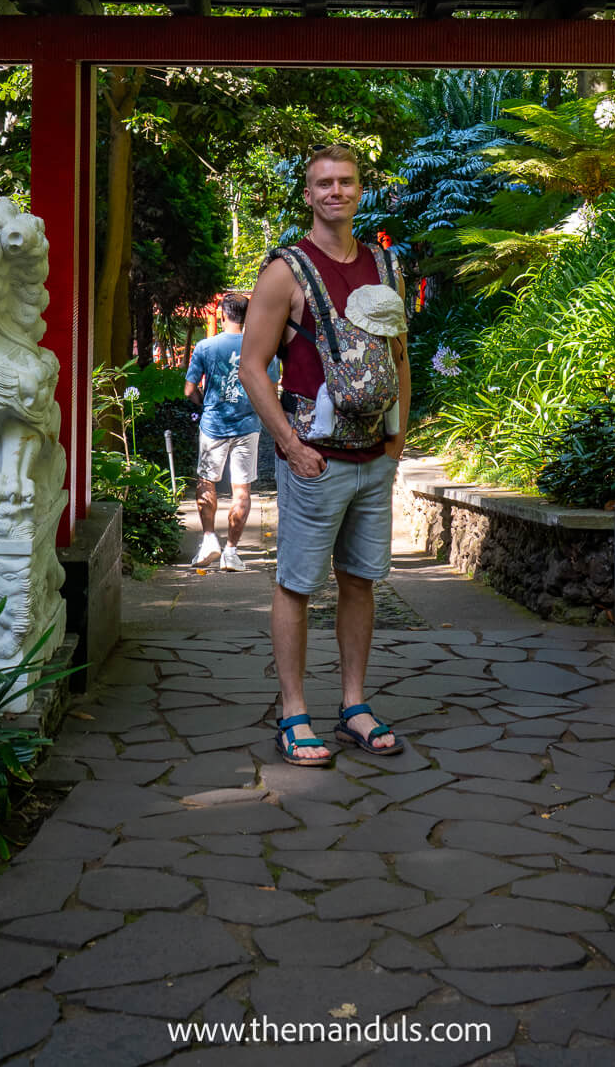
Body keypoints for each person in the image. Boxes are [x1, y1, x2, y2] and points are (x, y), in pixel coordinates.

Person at [240, 143, 409, 767]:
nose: (335, 191)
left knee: (360, 583)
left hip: (373, 459)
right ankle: (293, 712)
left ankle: (355, 706)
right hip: (314, 459)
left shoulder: (386, 268)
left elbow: (399, 357)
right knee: (297, 585)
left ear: (360, 189)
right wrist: (288, 445)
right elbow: (252, 366)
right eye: (323, 184)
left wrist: (398, 440)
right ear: (307, 194)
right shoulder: (287, 271)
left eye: (346, 181)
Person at [185, 292, 277, 571]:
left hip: (213, 425)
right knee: (241, 491)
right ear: (247, 317)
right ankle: (232, 553)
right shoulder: (262, 347)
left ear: (222, 315)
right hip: (247, 426)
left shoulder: (205, 346)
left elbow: (189, 389)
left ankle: (209, 539)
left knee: (206, 481)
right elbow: (270, 390)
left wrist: (206, 405)